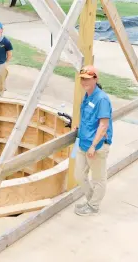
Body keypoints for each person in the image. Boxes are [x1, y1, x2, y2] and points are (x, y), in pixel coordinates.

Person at [74, 65, 113, 216]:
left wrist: (93, 145)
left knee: (98, 179)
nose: (84, 82)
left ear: (96, 79)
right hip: (83, 143)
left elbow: (103, 125)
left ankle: (93, 206)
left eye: (88, 79)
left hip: (95, 146)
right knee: (79, 175)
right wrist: (79, 126)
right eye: (82, 79)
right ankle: (91, 201)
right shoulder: (87, 95)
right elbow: (88, 117)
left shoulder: (101, 99)